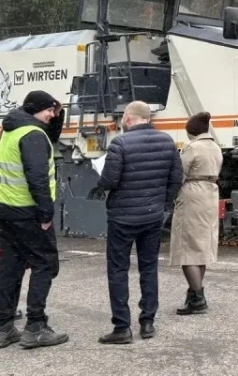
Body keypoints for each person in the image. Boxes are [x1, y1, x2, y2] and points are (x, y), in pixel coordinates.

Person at [96, 100, 182, 344]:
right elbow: (176, 178)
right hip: (152, 216)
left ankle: (122, 327)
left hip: (122, 217)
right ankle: (147, 322)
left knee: (118, 270)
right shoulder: (167, 141)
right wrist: (163, 205)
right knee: (148, 267)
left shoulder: (120, 143)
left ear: (129, 117)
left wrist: (100, 184)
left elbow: (110, 180)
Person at [0, 90, 69, 350]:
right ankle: (35, 326)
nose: (51, 114)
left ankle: (3, 329)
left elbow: (50, 136)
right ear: (36, 109)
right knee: (45, 265)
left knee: (9, 268)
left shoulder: (12, 130)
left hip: (4, 210)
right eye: (48, 110)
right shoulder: (33, 136)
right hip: (28, 213)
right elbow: (37, 178)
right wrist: (45, 213)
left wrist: (58, 115)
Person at [169, 112, 223, 315]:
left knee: (187, 248)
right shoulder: (215, 147)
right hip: (210, 193)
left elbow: (179, 173)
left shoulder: (192, 147)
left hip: (193, 194)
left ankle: (197, 297)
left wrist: (170, 195)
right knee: (201, 247)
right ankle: (194, 294)